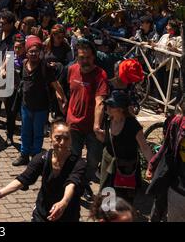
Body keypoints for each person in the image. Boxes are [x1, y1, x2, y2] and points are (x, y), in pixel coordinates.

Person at [0, 120, 86, 222]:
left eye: (66, 138)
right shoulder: (42, 158)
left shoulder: (78, 163)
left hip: (68, 215)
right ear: (50, 138)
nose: (62, 142)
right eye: (58, 138)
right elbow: (23, 179)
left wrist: (64, 202)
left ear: (71, 140)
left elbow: (72, 183)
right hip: (42, 214)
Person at [12, 36, 67, 166]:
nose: (33, 54)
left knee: (37, 134)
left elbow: (55, 84)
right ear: (26, 52)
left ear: (40, 52)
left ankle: (36, 158)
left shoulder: (45, 67)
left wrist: (63, 98)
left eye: (36, 51)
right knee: (25, 132)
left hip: (41, 107)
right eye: (31, 51)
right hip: (26, 106)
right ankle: (24, 155)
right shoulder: (24, 63)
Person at [66, 39, 109, 200]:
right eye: (81, 57)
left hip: (93, 128)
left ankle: (83, 185)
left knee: (93, 160)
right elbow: (68, 91)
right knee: (73, 158)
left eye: (88, 57)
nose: (84, 61)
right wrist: (63, 102)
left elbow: (100, 102)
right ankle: (73, 186)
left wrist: (97, 126)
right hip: (74, 125)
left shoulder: (100, 75)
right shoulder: (71, 70)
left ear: (94, 57)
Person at [99, 90, 153, 204]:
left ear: (121, 109)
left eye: (111, 105)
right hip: (108, 162)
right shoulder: (108, 119)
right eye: (107, 104)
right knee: (106, 196)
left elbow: (144, 147)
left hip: (127, 167)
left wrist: (151, 165)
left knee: (124, 200)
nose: (107, 107)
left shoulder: (132, 125)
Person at [146, 113, 185, 222]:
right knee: (160, 203)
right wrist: (152, 165)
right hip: (177, 187)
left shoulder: (177, 121)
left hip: (177, 189)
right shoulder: (177, 121)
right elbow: (166, 147)